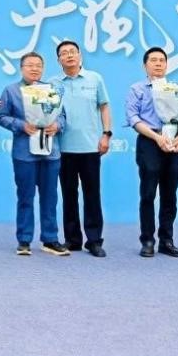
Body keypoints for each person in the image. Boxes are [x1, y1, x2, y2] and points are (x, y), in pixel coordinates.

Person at [0, 53, 68, 257]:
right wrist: (21, 125)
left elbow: (62, 115)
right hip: (24, 153)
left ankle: (50, 239)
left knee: (50, 197)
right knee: (25, 197)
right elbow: (2, 117)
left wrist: (57, 125)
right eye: (30, 65)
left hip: (50, 153)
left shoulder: (51, 90)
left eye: (38, 65)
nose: (34, 69)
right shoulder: (11, 91)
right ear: (21, 68)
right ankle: (24, 240)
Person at [127, 47, 178, 258]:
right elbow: (133, 118)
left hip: (175, 142)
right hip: (149, 142)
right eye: (153, 60)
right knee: (148, 194)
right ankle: (147, 240)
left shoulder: (176, 89)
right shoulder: (137, 89)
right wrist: (157, 137)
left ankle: (166, 240)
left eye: (162, 60)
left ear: (166, 64)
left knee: (170, 194)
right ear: (145, 65)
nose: (158, 64)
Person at [51, 40, 111, 257]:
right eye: (64, 53)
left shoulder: (95, 79)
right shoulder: (53, 83)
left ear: (80, 56)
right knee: (69, 195)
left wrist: (106, 133)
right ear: (58, 59)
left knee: (92, 195)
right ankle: (73, 239)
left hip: (90, 147)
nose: (69, 55)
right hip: (63, 148)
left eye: (72, 52)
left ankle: (94, 240)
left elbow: (104, 107)